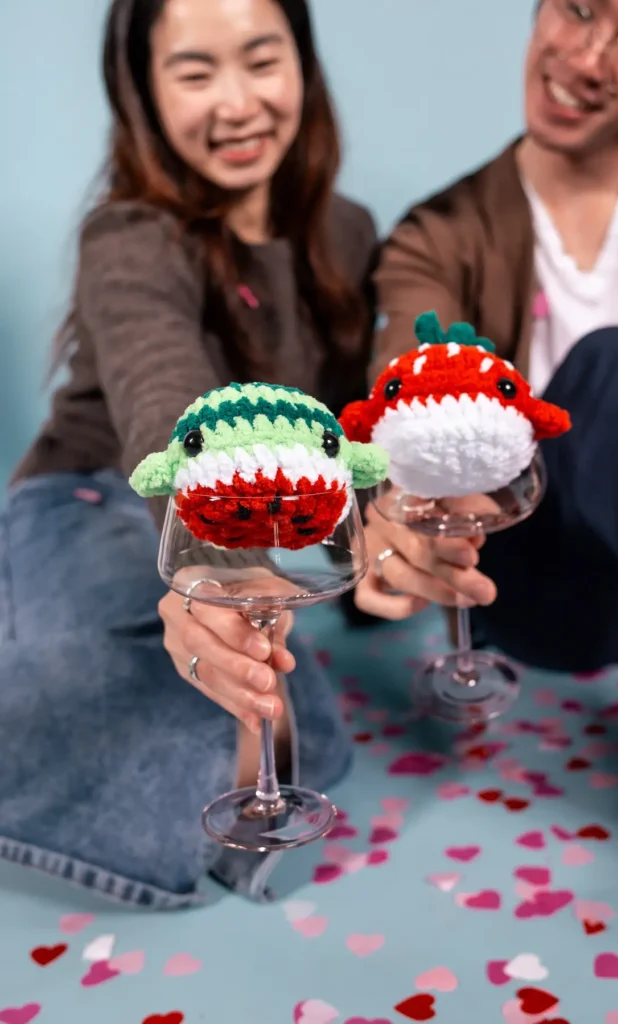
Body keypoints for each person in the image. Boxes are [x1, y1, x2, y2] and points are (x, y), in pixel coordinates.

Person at [0, 0, 472, 910]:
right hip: (97, 496)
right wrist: (209, 572)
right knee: (216, 734)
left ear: (303, 63)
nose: (235, 103)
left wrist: (393, 522)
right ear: (142, 91)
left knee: (283, 727)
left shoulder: (345, 230)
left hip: (262, 527)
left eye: (260, 60)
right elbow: (160, 399)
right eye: (193, 72)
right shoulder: (129, 237)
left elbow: (353, 421)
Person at [357, 0, 618, 673]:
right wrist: (407, 491)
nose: (588, 60)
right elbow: (412, 378)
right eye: (577, 9)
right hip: (549, 589)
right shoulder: (438, 237)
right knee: (613, 365)